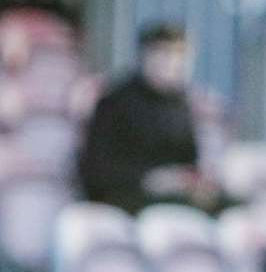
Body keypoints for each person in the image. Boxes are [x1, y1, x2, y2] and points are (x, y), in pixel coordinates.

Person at [76, 22, 221, 215]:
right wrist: (149, 179)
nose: (172, 63)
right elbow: (96, 170)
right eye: (164, 54)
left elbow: (191, 161)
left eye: (180, 56)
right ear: (145, 57)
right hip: (127, 199)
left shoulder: (185, 105)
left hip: (178, 196)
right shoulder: (115, 102)